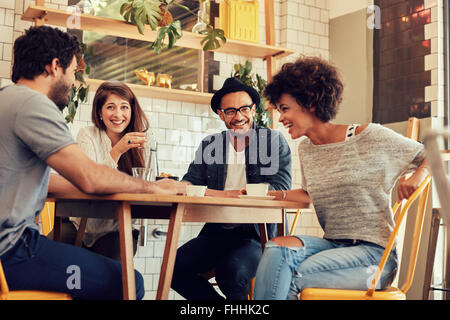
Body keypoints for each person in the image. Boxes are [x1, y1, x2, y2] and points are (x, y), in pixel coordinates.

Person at [0, 25, 185, 300]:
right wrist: (152, 188)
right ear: (54, 66)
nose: (74, 83)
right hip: (15, 251)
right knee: (128, 282)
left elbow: (46, 179)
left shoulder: (6, 99)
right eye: (73, 72)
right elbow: (89, 176)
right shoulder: (34, 104)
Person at [252, 56, 430, 300]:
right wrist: (265, 194)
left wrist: (419, 175)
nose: (280, 118)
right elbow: (309, 193)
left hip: (374, 256)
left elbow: (434, 152)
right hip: (332, 245)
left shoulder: (370, 136)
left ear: (309, 102)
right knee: (276, 249)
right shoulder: (307, 149)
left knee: (292, 276)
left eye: (284, 108)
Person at [171, 77, 292, 300]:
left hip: (255, 234)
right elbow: (192, 181)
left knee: (232, 273)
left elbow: (281, 186)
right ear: (221, 114)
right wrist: (177, 186)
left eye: (244, 108)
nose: (238, 116)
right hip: (216, 232)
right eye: (230, 111)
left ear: (253, 109)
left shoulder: (272, 141)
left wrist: (241, 194)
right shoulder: (211, 145)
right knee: (173, 268)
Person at [56, 81, 152, 261]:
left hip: (118, 227)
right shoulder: (88, 135)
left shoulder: (141, 143)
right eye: (110, 107)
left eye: (124, 107)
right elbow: (90, 181)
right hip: (80, 224)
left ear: (132, 111)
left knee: (114, 277)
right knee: (47, 261)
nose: (118, 114)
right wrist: (117, 151)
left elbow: (147, 184)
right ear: (99, 112)